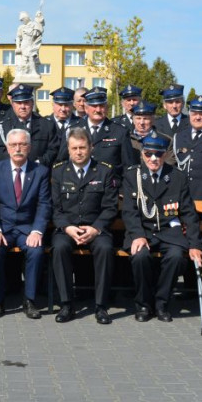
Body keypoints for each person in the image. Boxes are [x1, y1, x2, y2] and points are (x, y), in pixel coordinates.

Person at [121, 131, 202, 322]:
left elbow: (189, 213)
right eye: (148, 154)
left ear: (165, 154)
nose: (153, 158)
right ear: (142, 154)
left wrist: (195, 244)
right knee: (140, 257)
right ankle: (143, 304)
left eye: (158, 154)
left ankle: (162, 303)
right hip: (143, 231)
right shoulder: (134, 176)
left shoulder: (177, 177)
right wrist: (138, 235)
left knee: (175, 257)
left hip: (169, 232)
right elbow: (129, 211)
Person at [50, 128, 119, 324]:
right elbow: (55, 208)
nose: (78, 152)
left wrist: (96, 228)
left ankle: (101, 306)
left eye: (82, 147)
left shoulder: (105, 170)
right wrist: (67, 228)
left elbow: (110, 207)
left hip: (96, 228)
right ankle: (66, 304)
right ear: (69, 149)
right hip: (68, 228)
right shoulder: (59, 171)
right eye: (74, 148)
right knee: (59, 247)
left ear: (91, 148)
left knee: (105, 249)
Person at [0, 128, 52, 319]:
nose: (18, 148)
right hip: (3, 228)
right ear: (7, 147)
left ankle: (29, 300)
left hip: (27, 229)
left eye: (22, 144)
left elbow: (44, 204)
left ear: (29, 147)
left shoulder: (40, 172)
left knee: (36, 251)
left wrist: (37, 231)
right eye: (13, 145)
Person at [0, 83, 60, 168]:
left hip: (39, 172)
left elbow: (53, 149)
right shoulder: (4, 127)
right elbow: (0, 152)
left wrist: (39, 162)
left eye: (26, 102)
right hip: (14, 173)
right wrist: (18, 164)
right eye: (19, 103)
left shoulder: (46, 125)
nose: (23, 106)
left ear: (32, 103)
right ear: (12, 104)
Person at [81, 87, 133, 180]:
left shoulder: (120, 132)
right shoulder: (74, 130)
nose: (98, 110)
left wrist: (122, 192)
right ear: (86, 108)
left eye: (101, 106)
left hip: (110, 190)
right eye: (94, 106)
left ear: (107, 107)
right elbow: (63, 163)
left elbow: (129, 167)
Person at [44, 87, 85, 163]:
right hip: (47, 170)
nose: (63, 109)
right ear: (53, 105)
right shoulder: (44, 123)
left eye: (66, 105)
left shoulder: (81, 124)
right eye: (59, 105)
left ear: (72, 105)